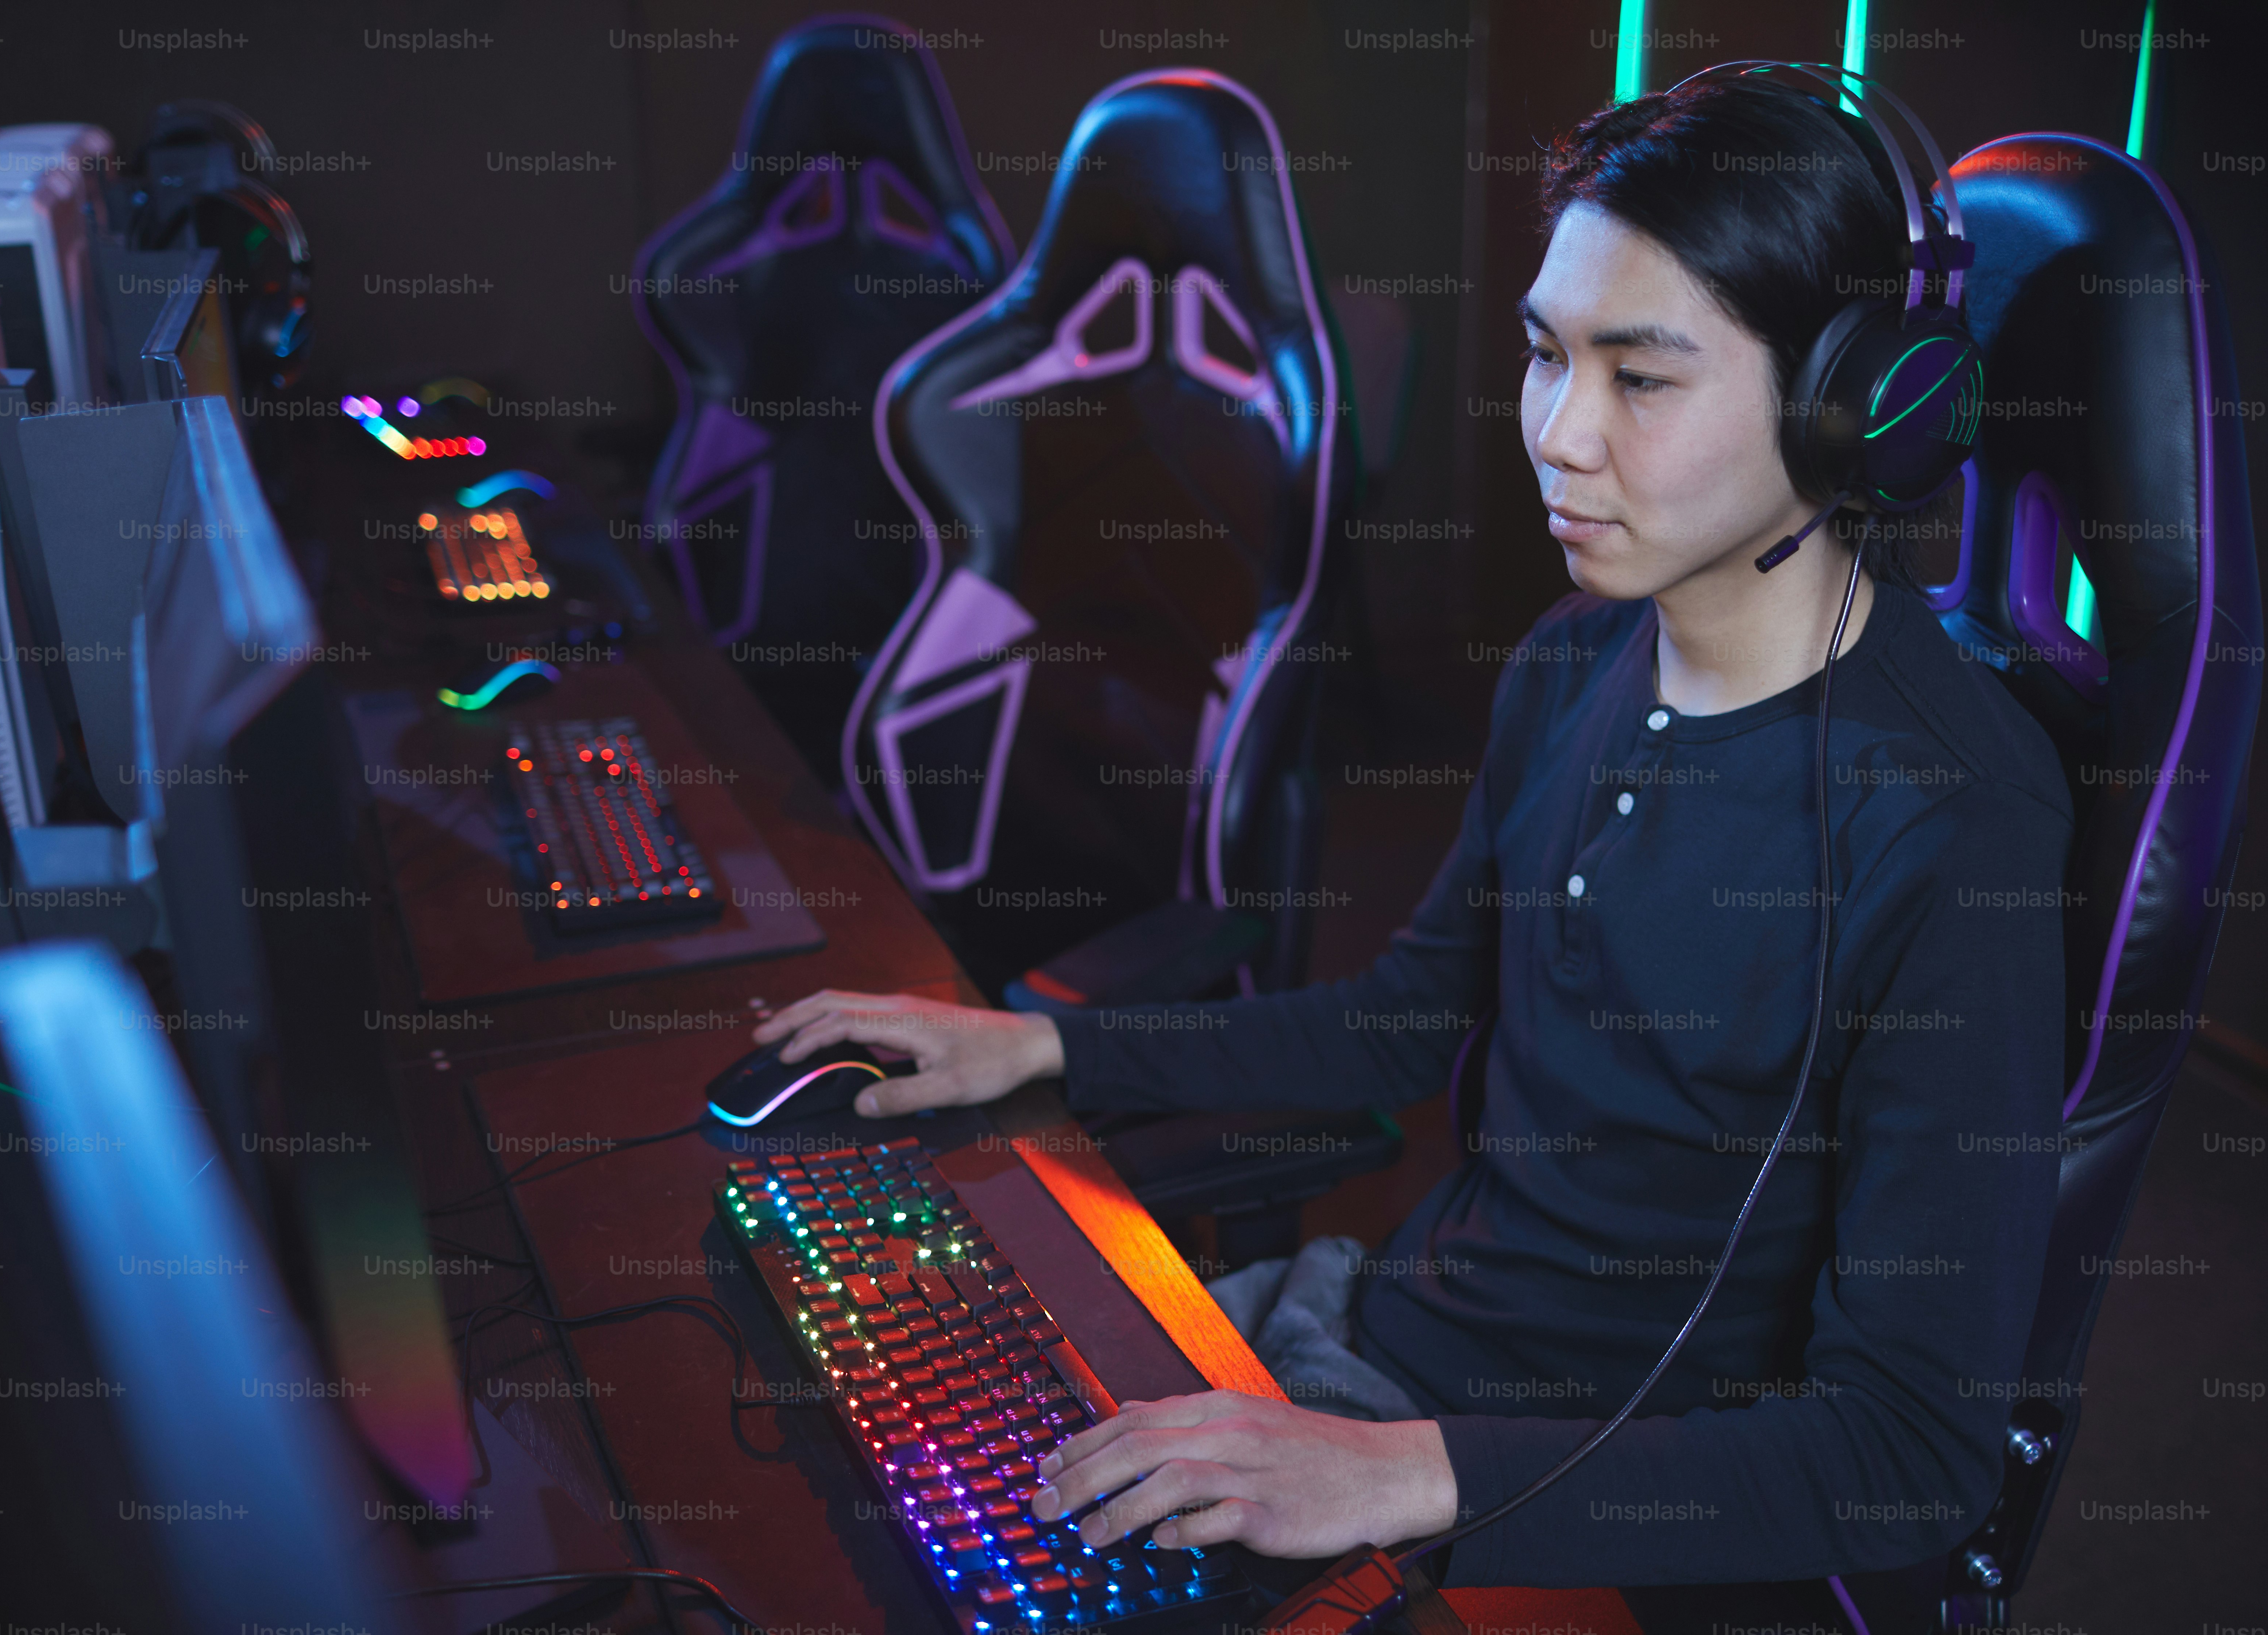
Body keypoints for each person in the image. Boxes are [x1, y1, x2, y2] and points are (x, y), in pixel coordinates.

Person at [756, 74, 2072, 1589]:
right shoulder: (1574, 660)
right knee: (876, 1426)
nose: (1558, 437)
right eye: (1542, 353)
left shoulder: (1956, 822)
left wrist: (1394, 1472)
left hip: (1558, 1501)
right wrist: (1045, 1049)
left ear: (1855, 413)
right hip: (1372, 1355)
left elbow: (1908, 1454)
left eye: (1639, 379)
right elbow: (1402, 1022)